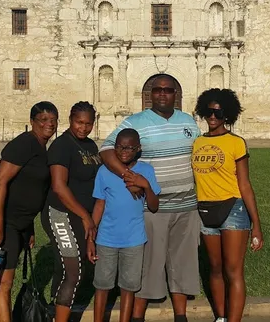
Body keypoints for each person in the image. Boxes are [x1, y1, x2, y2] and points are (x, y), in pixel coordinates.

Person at [99, 74, 202, 322]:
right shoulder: (135, 122)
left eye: (168, 89)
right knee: (148, 264)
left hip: (187, 205)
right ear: (151, 94)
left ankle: (181, 315)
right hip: (153, 206)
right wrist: (129, 176)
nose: (162, 93)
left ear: (175, 93)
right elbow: (106, 149)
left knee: (183, 262)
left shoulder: (189, 122)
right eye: (157, 89)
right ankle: (137, 316)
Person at [0, 101, 58, 322]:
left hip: (18, 221)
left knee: (1, 275)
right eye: (43, 120)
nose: (49, 124)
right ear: (32, 122)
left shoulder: (40, 147)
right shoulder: (24, 144)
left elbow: (29, 188)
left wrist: (28, 227)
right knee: (3, 281)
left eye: (53, 119)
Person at [192, 88, 263, 322]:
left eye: (218, 112)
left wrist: (256, 225)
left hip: (233, 209)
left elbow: (245, 184)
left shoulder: (236, 143)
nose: (213, 116)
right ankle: (221, 318)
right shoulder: (197, 143)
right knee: (215, 268)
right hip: (205, 210)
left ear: (227, 115)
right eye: (209, 111)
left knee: (233, 271)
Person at [89, 128, 161, 322]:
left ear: (138, 148)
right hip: (106, 238)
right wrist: (91, 233)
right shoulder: (105, 171)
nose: (123, 151)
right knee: (102, 285)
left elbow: (154, 206)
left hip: (134, 239)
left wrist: (145, 185)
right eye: (120, 147)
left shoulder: (146, 170)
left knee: (128, 286)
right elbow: (99, 204)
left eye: (129, 148)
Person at [40, 102, 101, 322]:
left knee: (67, 268)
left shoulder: (91, 146)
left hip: (82, 214)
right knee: (73, 271)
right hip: (60, 213)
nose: (83, 128)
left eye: (88, 123)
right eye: (79, 122)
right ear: (70, 120)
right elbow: (58, 186)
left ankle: (53, 314)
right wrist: (86, 217)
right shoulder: (62, 146)